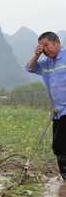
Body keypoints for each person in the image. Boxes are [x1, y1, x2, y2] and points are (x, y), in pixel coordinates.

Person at [26, 31, 66, 180]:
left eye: (46, 45)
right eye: (41, 47)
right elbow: (29, 68)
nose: (44, 49)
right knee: (58, 147)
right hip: (58, 111)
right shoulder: (46, 63)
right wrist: (37, 55)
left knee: (60, 145)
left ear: (56, 43)